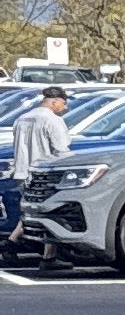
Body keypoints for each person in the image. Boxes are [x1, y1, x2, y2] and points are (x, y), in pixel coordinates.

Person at [2, 85, 67, 245]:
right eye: (63, 103)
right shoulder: (53, 120)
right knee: (49, 213)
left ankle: (46, 254)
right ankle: (14, 242)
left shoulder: (22, 118)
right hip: (43, 175)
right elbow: (62, 151)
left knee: (33, 212)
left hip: (22, 173)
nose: (65, 108)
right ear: (55, 102)